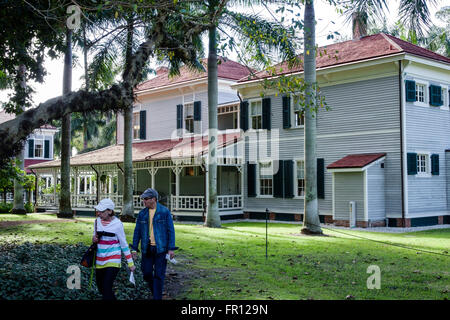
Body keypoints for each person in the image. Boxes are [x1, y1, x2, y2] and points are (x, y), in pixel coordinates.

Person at [130, 188, 177, 300]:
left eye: (146, 199)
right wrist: (134, 248)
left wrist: (171, 248)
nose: (143, 201)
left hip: (161, 249)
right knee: (146, 273)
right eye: (143, 199)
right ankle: (156, 291)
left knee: (159, 275)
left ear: (154, 199)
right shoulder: (142, 214)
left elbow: (171, 231)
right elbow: (137, 232)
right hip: (147, 248)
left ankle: (157, 297)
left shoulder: (164, 212)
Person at [92, 198, 135, 300]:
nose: (98, 213)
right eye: (98, 211)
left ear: (110, 211)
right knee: (101, 288)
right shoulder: (97, 222)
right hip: (99, 259)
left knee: (106, 287)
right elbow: (94, 238)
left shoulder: (117, 224)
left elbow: (124, 244)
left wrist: (130, 263)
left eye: (101, 211)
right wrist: (94, 239)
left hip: (113, 260)